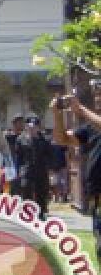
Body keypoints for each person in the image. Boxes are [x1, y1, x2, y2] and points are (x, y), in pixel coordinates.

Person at [52, 82, 101, 251]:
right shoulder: (91, 127)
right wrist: (57, 115)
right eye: (96, 95)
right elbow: (62, 139)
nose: (98, 99)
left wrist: (80, 109)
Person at [12, 115, 53, 218]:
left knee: (42, 193)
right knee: (26, 191)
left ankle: (41, 213)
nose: (32, 128)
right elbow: (18, 157)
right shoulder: (21, 139)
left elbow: (50, 155)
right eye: (29, 126)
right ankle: (27, 213)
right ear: (26, 126)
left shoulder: (45, 140)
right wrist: (18, 171)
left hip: (41, 170)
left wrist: (50, 170)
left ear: (38, 127)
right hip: (26, 170)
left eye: (34, 126)